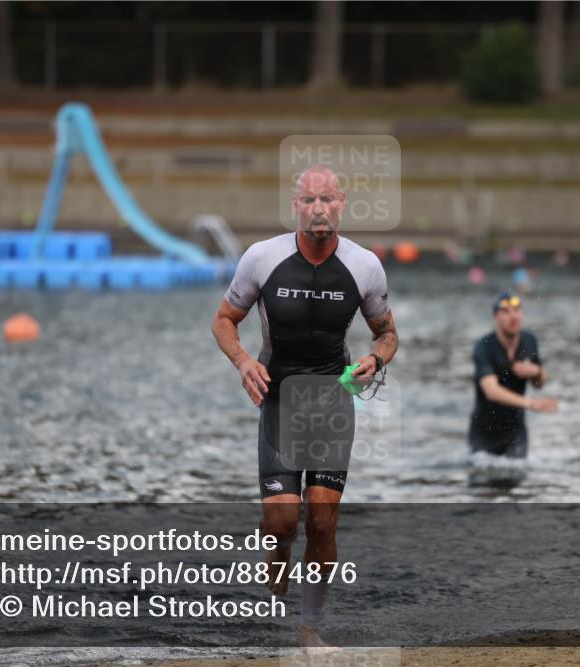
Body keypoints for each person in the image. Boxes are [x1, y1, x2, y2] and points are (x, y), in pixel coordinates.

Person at [211, 165, 398, 649]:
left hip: (334, 400)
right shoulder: (262, 258)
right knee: (281, 522)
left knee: (321, 521)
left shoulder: (365, 266)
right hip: (279, 398)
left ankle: (310, 630)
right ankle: (275, 551)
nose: (319, 209)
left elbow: (387, 332)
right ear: (296, 206)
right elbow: (224, 320)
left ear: (342, 205)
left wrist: (374, 360)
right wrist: (243, 360)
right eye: (309, 200)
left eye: (327, 200)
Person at [468, 292, 558, 459]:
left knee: (517, 478)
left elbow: (540, 383)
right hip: (484, 430)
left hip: (515, 430)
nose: (513, 316)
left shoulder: (529, 341)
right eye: (506, 311)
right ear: (496, 317)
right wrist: (532, 404)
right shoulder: (484, 346)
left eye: (517, 310)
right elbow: (491, 391)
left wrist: (537, 372)